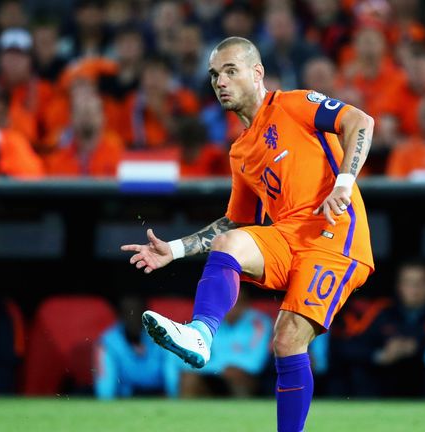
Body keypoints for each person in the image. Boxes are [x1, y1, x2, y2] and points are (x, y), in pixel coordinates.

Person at [121, 36, 374, 432]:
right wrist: (174, 249)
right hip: (287, 238)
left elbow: (361, 122)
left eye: (230, 71)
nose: (220, 81)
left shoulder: (294, 104)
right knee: (228, 244)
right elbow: (234, 221)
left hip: (335, 237)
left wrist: (344, 182)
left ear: (257, 74)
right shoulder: (241, 151)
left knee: (288, 339)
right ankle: (201, 334)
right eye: (214, 75)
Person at [351, 261, 425, 396]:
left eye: (421, 282)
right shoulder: (382, 311)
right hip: (385, 383)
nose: (415, 289)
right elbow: (352, 346)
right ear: (399, 286)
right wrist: (381, 354)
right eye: (408, 283)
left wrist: (416, 347)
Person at [179, 288, 272, 397]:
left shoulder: (260, 322)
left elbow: (255, 363)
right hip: (215, 372)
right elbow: (200, 354)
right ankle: (190, 413)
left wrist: (226, 367)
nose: (231, 308)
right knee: (189, 377)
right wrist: (220, 369)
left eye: (236, 303)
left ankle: (242, 413)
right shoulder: (210, 320)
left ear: (245, 305)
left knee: (235, 375)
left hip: (248, 376)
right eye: (225, 303)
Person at [94, 295, 177, 399]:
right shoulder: (107, 343)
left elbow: (172, 381)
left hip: (159, 397)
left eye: (138, 313)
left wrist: (173, 400)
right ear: (120, 316)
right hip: (124, 400)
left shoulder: (164, 337)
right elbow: (105, 390)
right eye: (127, 313)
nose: (132, 318)